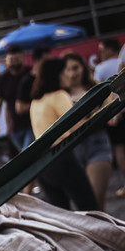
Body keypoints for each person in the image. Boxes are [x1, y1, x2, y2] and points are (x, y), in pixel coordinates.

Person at [29, 58, 99, 211]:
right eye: (65, 71)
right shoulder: (59, 95)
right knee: (90, 209)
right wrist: (98, 114)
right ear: (58, 74)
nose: (69, 75)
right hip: (62, 158)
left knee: (62, 216)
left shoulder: (36, 101)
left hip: (42, 164)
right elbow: (75, 126)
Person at [62, 52, 114, 210]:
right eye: (68, 69)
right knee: (83, 209)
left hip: (97, 145)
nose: (72, 73)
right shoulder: (60, 94)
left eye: (76, 68)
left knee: (95, 206)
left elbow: (111, 105)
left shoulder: (96, 87)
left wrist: (106, 112)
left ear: (83, 68)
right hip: (72, 150)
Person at [93, 39, 125, 198]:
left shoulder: (100, 68)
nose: (100, 53)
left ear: (110, 49)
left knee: (120, 149)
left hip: (117, 111)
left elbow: (100, 93)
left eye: (102, 49)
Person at [0, 44, 31, 152]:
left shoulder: (31, 74)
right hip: (14, 128)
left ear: (23, 57)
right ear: (7, 61)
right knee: (28, 157)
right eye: (11, 60)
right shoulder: (3, 79)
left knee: (28, 154)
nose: (14, 64)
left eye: (17, 60)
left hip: (31, 123)